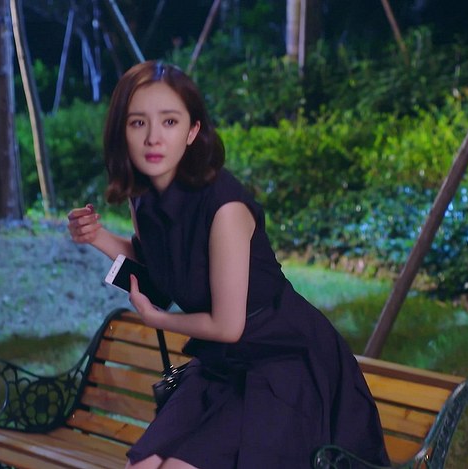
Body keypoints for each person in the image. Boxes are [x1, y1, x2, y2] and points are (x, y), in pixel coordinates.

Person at [67, 60, 389, 469]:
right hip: (223, 366)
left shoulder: (226, 207)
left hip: (286, 365)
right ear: (121, 132)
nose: (153, 137)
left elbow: (227, 325)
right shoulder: (143, 198)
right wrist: (97, 237)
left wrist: (157, 319)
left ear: (193, 131)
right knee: (142, 466)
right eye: (138, 123)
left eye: (169, 121)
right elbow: (163, 276)